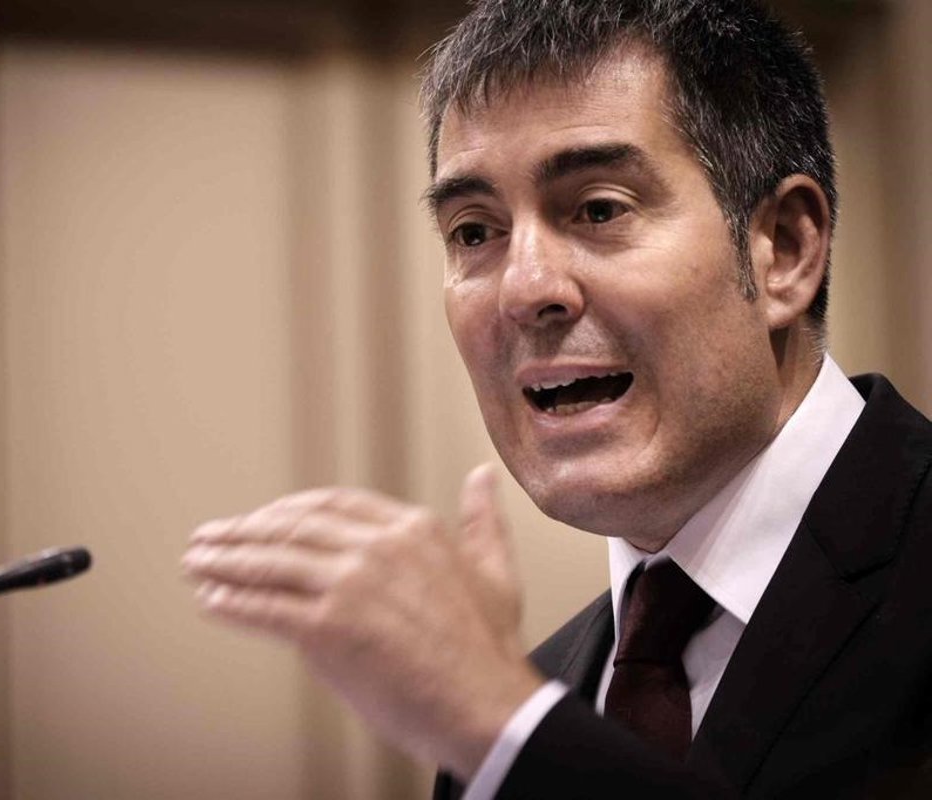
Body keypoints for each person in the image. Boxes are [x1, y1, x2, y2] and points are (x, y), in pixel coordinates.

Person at [182, 0, 932, 796]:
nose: (525, 289)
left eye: (599, 209)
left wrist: (505, 728)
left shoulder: (502, 723)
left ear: (783, 250)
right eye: (475, 232)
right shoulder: (516, 714)